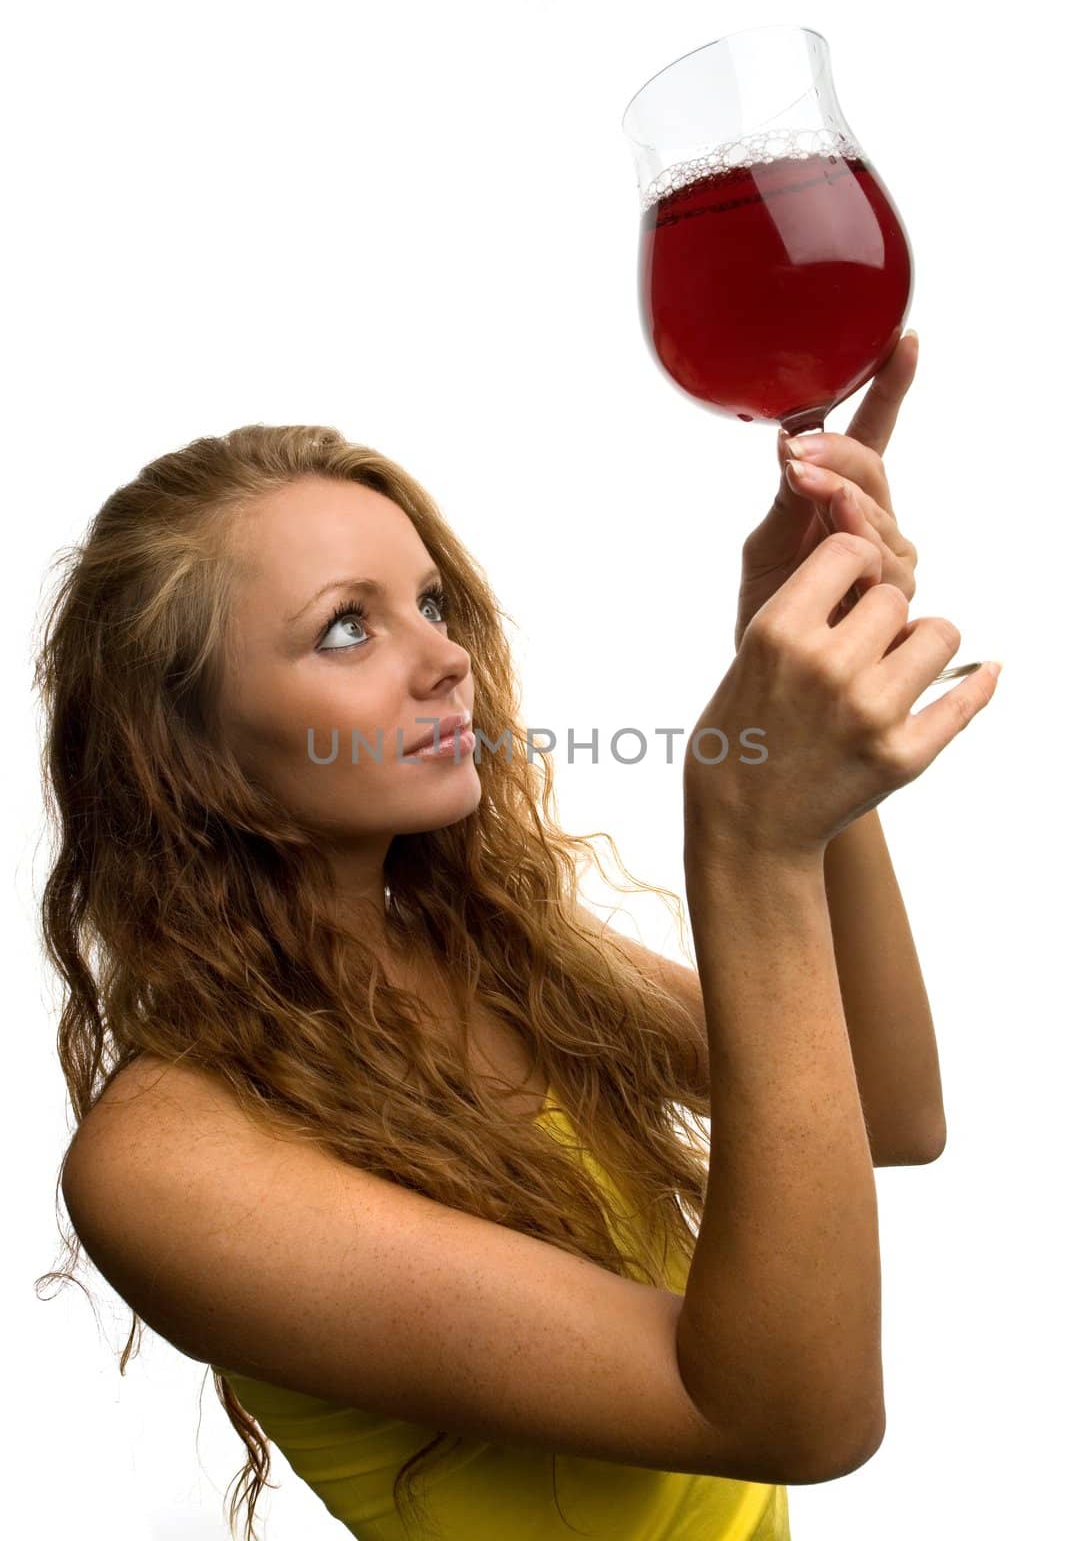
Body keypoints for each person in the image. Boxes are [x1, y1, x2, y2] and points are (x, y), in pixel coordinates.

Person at [36, 349, 998, 1540]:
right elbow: (798, 1418)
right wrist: (748, 854)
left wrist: (801, 763)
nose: (444, 658)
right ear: (186, 757)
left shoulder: (489, 954)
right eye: (346, 627)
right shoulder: (165, 1164)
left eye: (429, 603)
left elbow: (891, 1113)